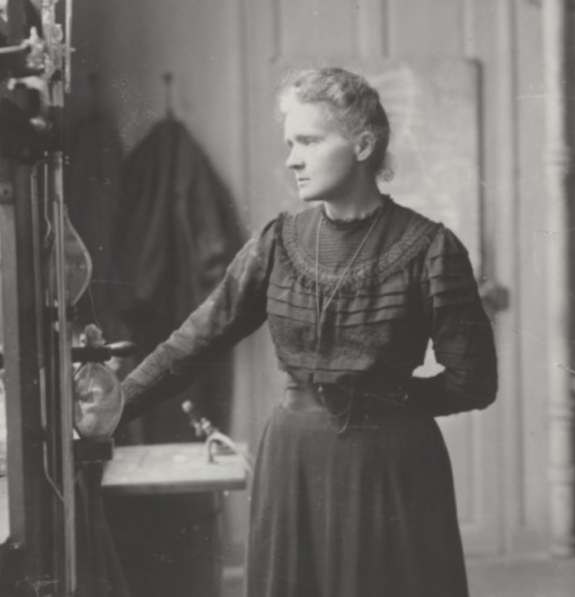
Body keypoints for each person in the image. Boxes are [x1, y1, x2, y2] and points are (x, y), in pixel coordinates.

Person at [118, 66, 498, 597]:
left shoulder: (432, 248)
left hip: (393, 467)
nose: (292, 158)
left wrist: (385, 402)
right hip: (294, 463)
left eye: (309, 141)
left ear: (363, 144)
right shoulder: (276, 243)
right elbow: (195, 340)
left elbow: (475, 382)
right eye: (289, 142)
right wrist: (117, 403)